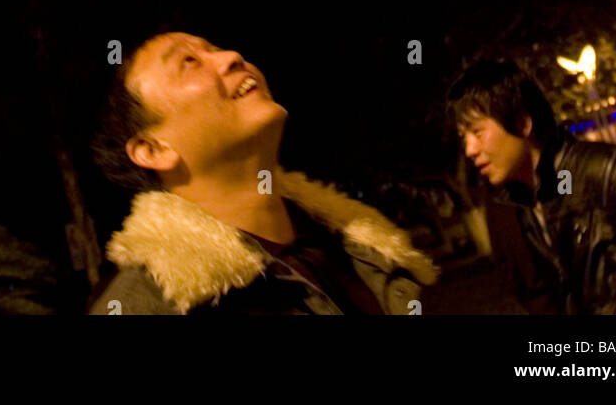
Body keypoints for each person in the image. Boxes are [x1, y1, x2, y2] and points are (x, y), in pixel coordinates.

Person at [86, 28, 437, 314]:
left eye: (216, 47)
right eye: (189, 61)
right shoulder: (147, 305)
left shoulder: (362, 246)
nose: (231, 57)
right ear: (153, 149)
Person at [446, 58, 616, 315]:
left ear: (522, 122)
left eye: (477, 132)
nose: (470, 150)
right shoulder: (520, 202)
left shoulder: (610, 172)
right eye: (463, 138)